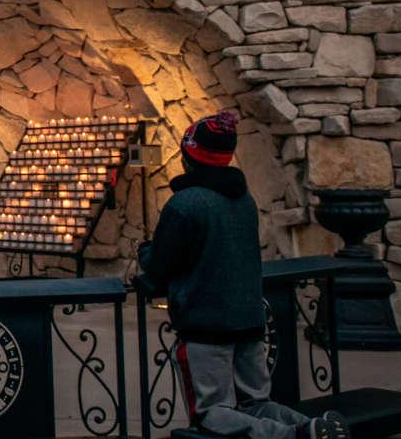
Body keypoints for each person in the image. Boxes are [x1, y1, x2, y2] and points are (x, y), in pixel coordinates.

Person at [140, 112, 348, 439]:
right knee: (256, 402)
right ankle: (312, 426)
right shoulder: (244, 200)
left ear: (190, 156)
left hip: (206, 324)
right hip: (249, 317)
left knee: (212, 413)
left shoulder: (185, 205)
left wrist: (146, 253)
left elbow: (161, 263)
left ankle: (296, 435)